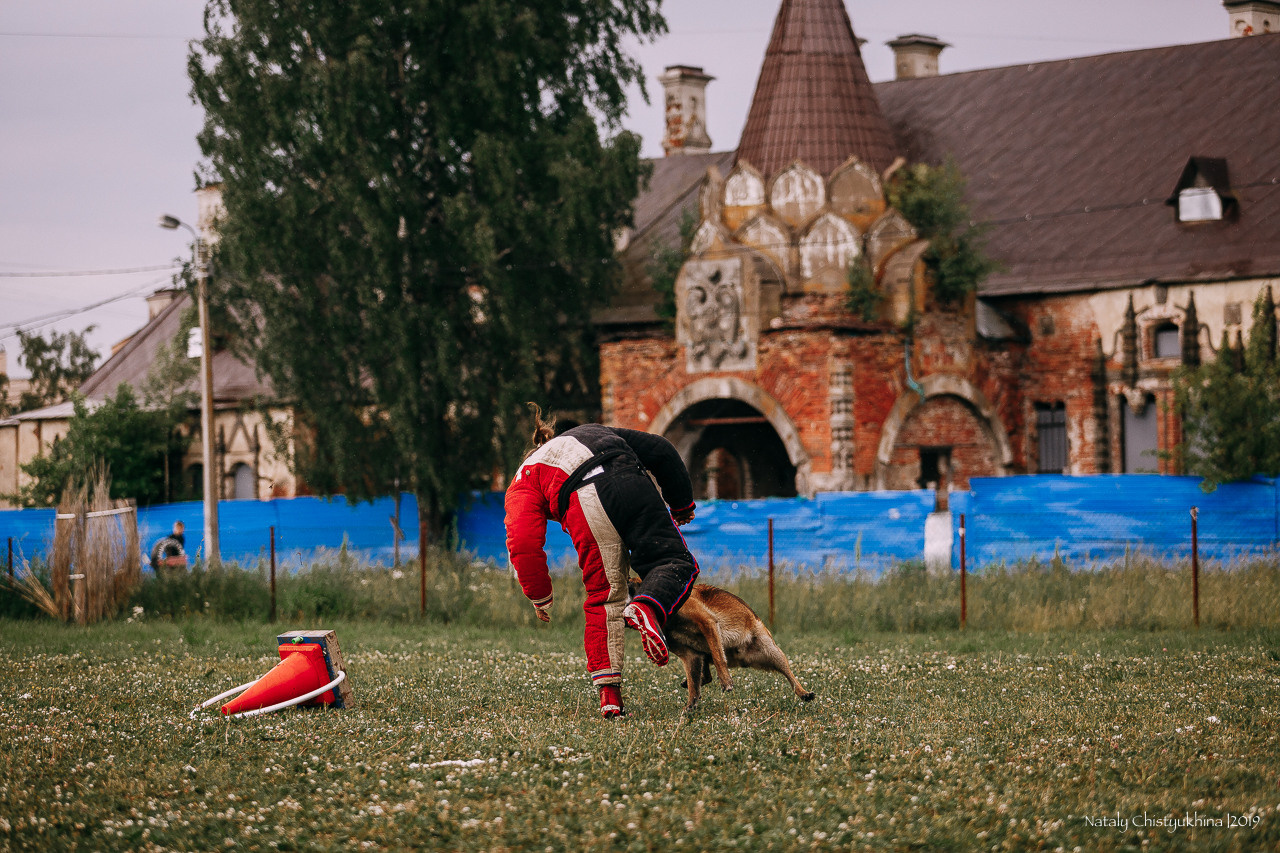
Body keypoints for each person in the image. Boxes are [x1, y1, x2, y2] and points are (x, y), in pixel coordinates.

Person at [505, 406, 699, 719]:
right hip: (631, 479)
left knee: (604, 599)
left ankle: (611, 700)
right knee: (673, 560)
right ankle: (648, 606)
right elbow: (661, 450)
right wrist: (681, 503)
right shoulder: (592, 431)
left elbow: (522, 540)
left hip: (584, 500)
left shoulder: (524, 475)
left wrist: (539, 595)